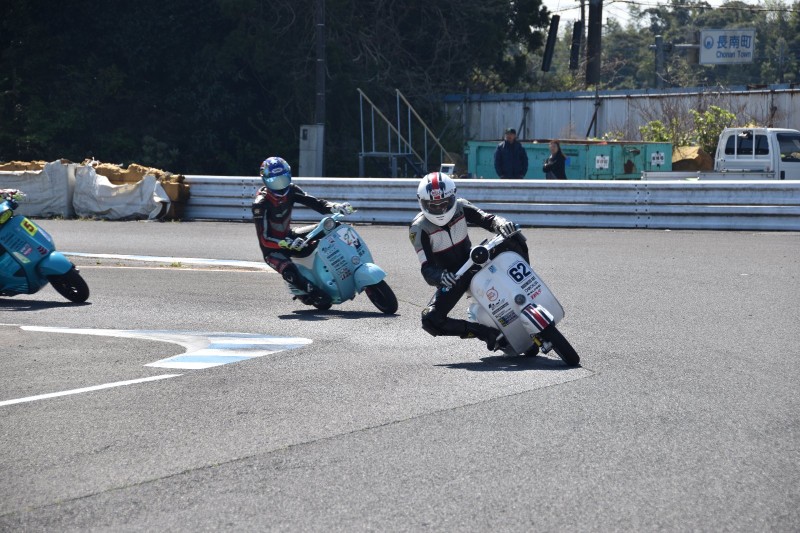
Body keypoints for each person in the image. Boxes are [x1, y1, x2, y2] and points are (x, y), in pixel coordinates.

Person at [409, 172, 531, 352]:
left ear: (453, 197)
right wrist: (441, 277)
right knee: (430, 320)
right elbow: (427, 269)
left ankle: (527, 285)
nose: (441, 209)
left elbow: (488, 219)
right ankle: (485, 333)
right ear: (422, 203)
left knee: (513, 235)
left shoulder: (461, 206)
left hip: (475, 259)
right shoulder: (418, 228)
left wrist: (502, 224)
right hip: (454, 277)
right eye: (433, 205)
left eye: (445, 203)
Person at [252, 156, 353, 306]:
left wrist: (334, 207)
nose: (280, 186)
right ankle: (308, 291)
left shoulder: (291, 190)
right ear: (265, 180)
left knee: (333, 225)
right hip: (273, 249)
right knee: (290, 272)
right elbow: (264, 238)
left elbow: (316, 203)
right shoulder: (260, 204)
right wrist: (286, 243)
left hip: (291, 236)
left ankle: (349, 261)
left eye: (283, 180)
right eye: (275, 181)